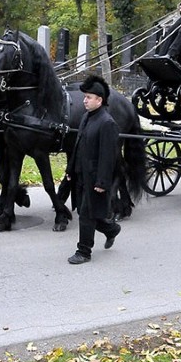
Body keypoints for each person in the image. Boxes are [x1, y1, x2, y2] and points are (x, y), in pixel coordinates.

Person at [64, 75, 121, 265]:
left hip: (95, 178)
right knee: (84, 209)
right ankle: (111, 229)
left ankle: (84, 251)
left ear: (100, 100)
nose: (84, 101)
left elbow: (108, 156)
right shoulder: (86, 118)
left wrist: (103, 182)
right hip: (81, 174)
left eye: (89, 97)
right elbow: (78, 146)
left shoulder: (107, 123)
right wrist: (70, 169)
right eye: (85, 97)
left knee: (86, 214)